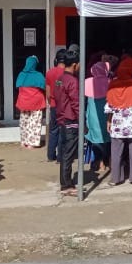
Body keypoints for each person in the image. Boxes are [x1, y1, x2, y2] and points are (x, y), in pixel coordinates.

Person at [105, 56, 132, 185]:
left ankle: (115, 179)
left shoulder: (112, 85)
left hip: (117, 124)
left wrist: (108, 121)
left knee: (116, 152)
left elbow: (109, 107)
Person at [54, 50, 82, 194]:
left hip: (62, 119)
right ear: (75, 64)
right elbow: (76, 102)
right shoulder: (72, 81)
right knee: (68, 154)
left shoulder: (59, 79)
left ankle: (66, 183)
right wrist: (82, 121)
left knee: (65, 152)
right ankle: (66, 185)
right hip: (70, 120)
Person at [84, 59, 111, 172]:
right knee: (107, 139)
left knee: (95, 139)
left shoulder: (87, 82)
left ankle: (98, 162)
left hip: (92, 115)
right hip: (107, 115)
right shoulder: (110, 82)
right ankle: (107, 161)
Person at [14, 55, 47, 149]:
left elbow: (18, 87)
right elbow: (44, 86)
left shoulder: (21, 74)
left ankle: (24, 141)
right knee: (35, 122)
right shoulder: (38, 75)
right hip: (36, 102)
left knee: (24, 121)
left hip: (24, 102)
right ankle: (32, 143)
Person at [44, 49, 67, 162]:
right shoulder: (67, 73)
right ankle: (60, 156)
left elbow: (48, 93)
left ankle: (50, 155)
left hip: (53, 105)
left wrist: (50, 103)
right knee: (63, 130)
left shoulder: (50, 73)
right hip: (64, 106)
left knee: (53, 130)